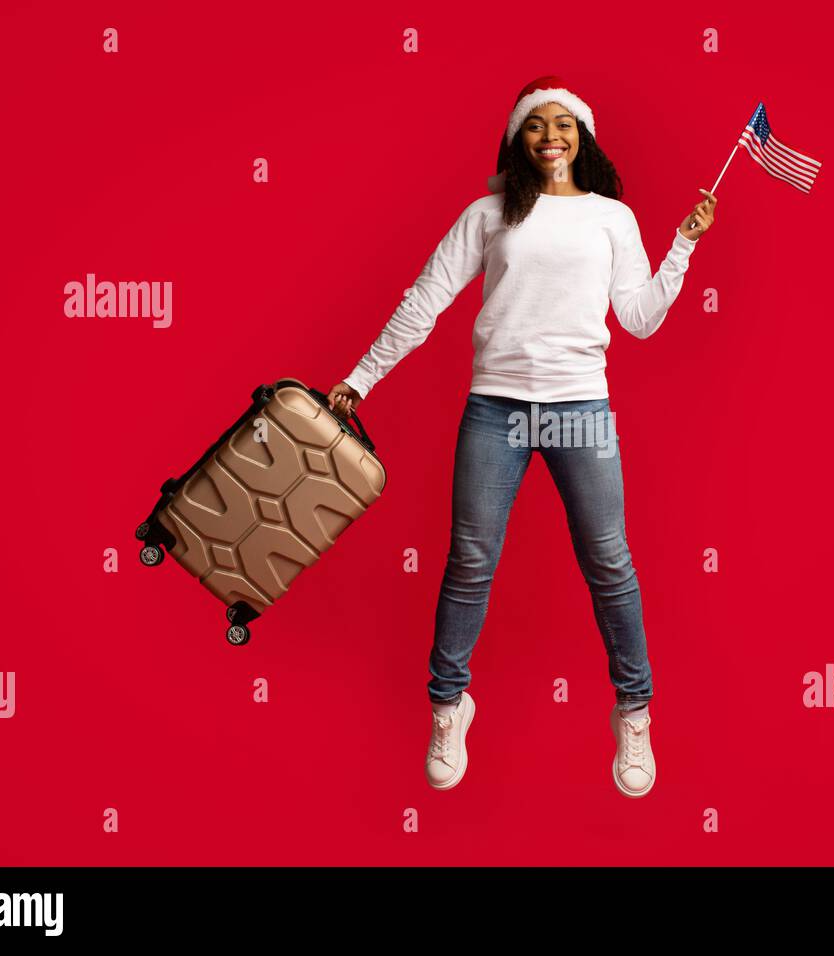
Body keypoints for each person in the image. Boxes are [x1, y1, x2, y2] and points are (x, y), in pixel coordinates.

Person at [328, 75, 715, 798]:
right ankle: (449, 705)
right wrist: (362, 377)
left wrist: (683, 248)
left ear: (582, 136)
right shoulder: (488, 214)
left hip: (580, 409)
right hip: (496, 408)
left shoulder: (610, 218)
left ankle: (634, 712)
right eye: (536, 124)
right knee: (470, 561)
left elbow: (638, 318)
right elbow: (425, 300)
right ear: (517, 139)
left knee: (610, 562)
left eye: (564, 124)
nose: (551, 136)